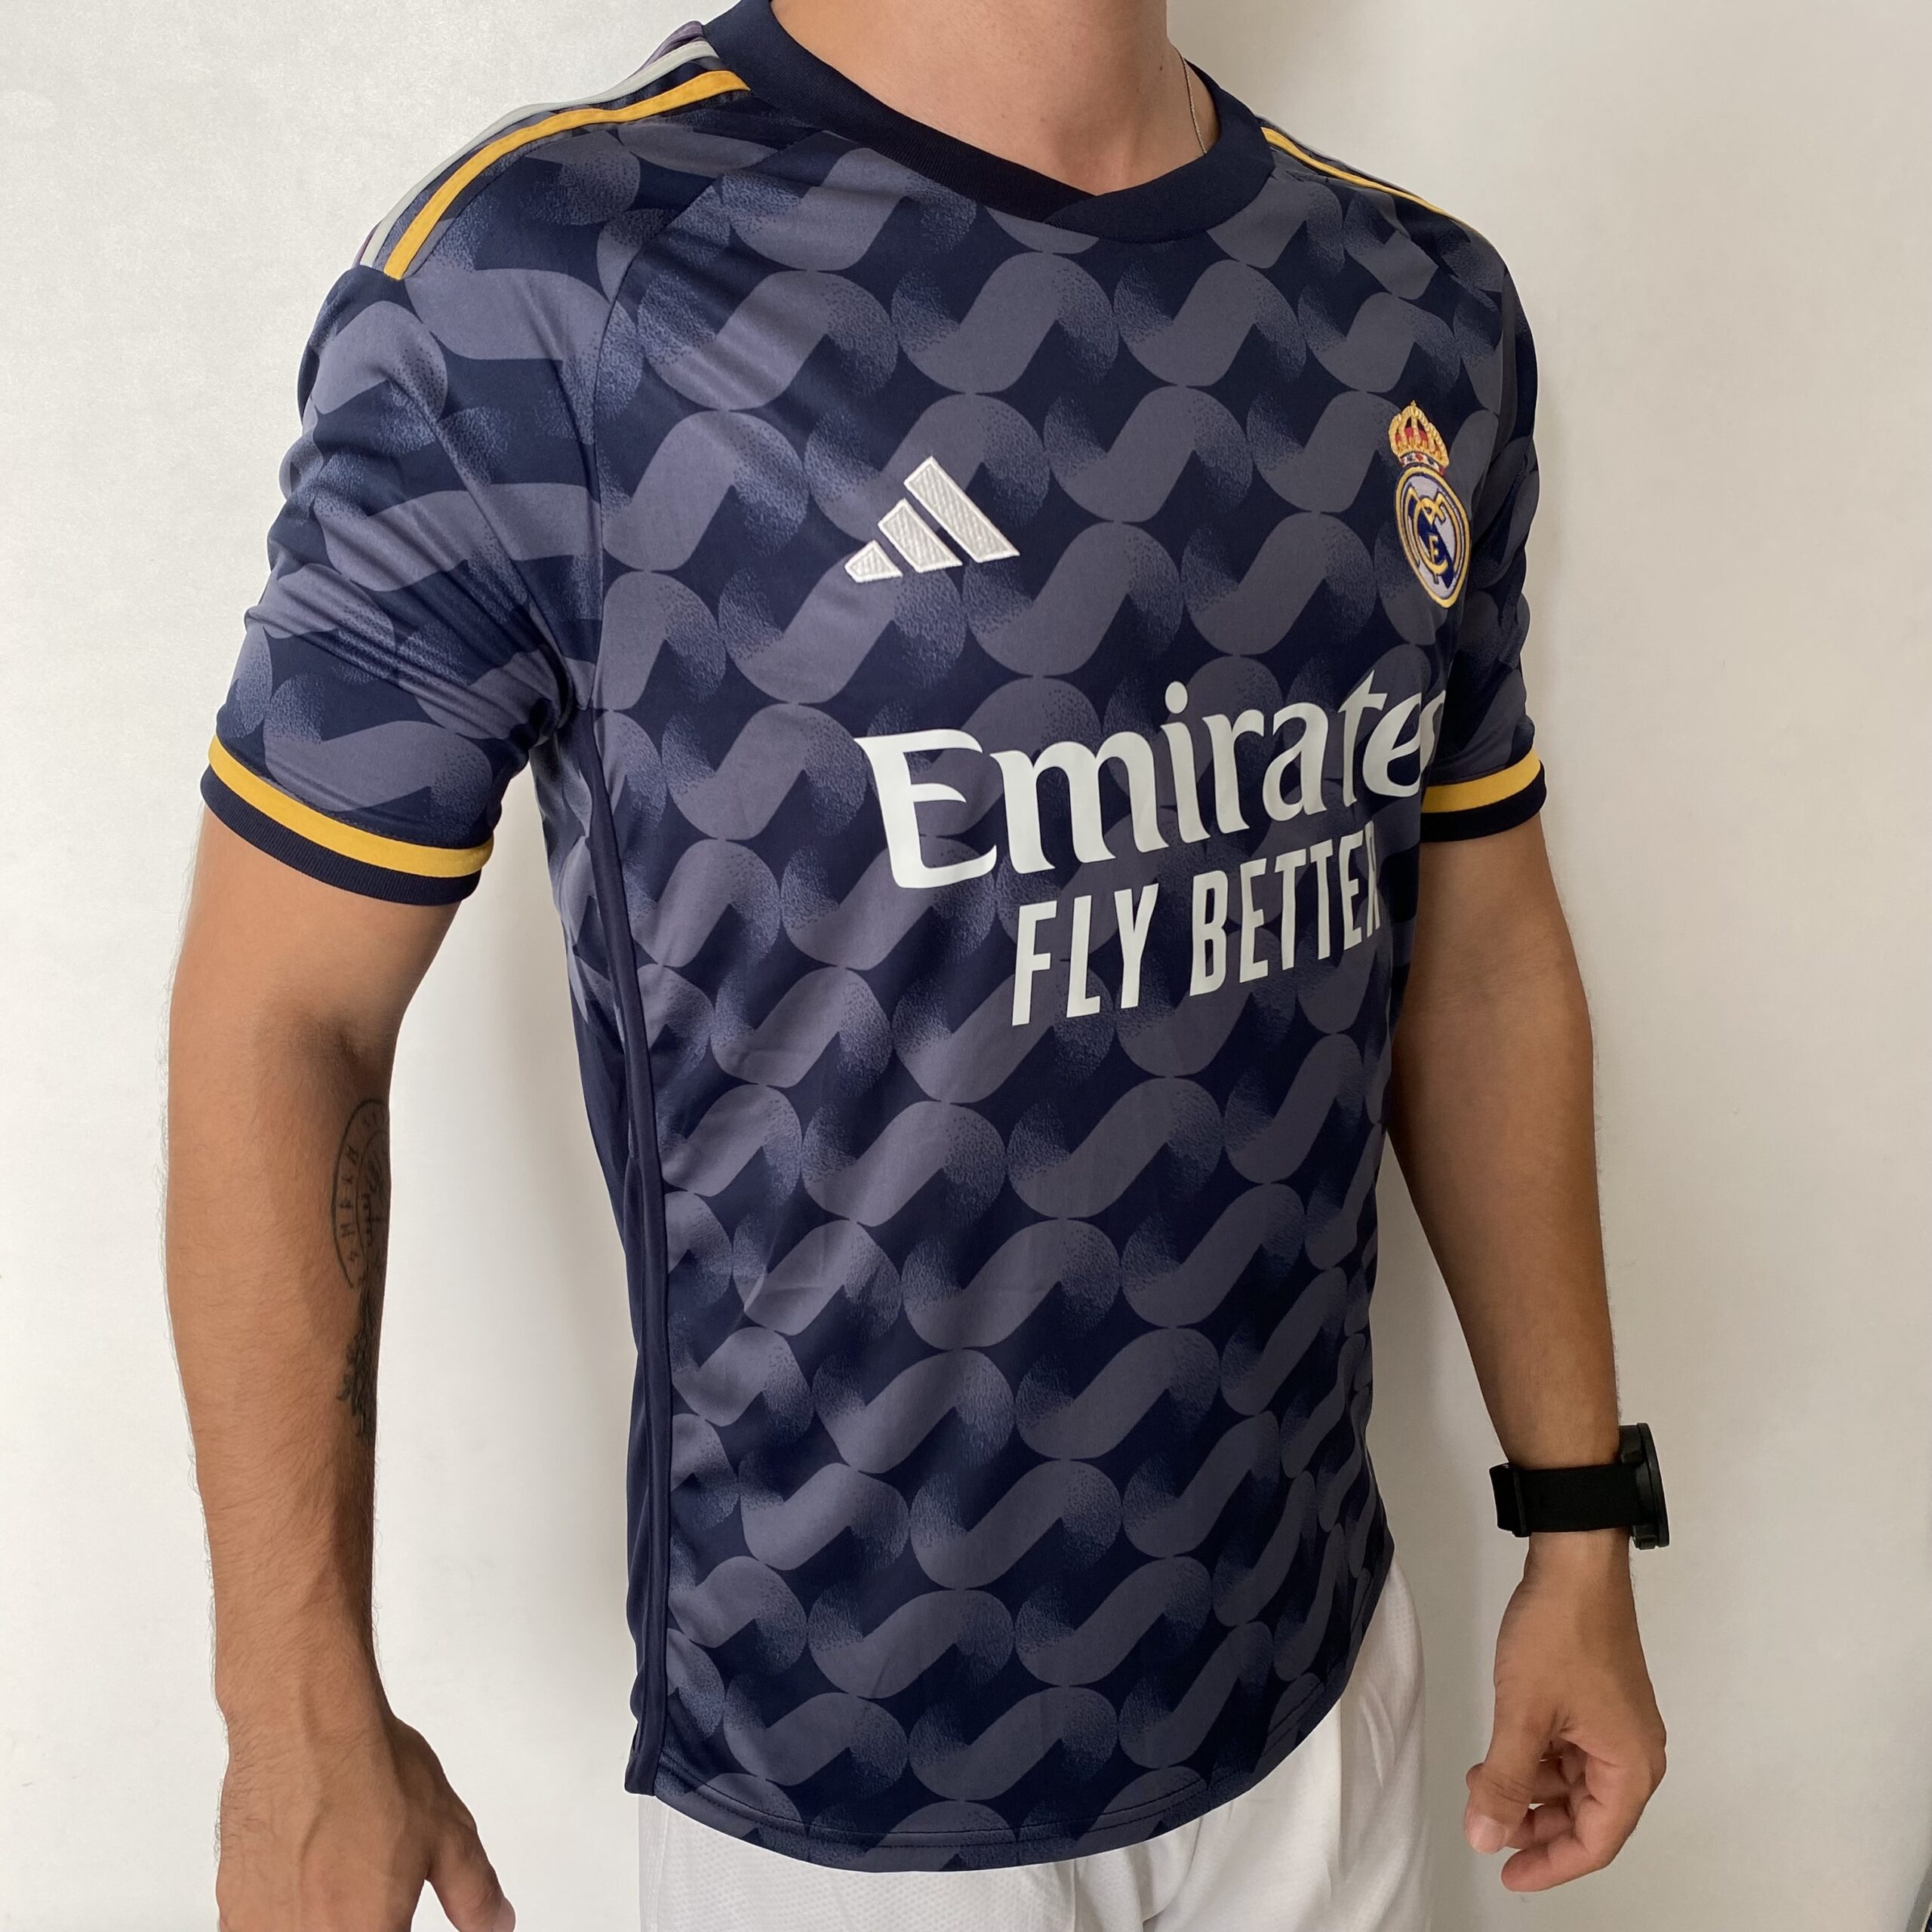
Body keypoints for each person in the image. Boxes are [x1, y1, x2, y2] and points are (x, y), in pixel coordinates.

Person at [165, 0, 1667, 1925]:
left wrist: (1575, 1515)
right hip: (848, 1777)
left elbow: (1473, 950)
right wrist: (293, 1713)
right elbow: (282, 1012)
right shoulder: (546, 288)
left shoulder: (1411, 302)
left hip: (1317, 1691)